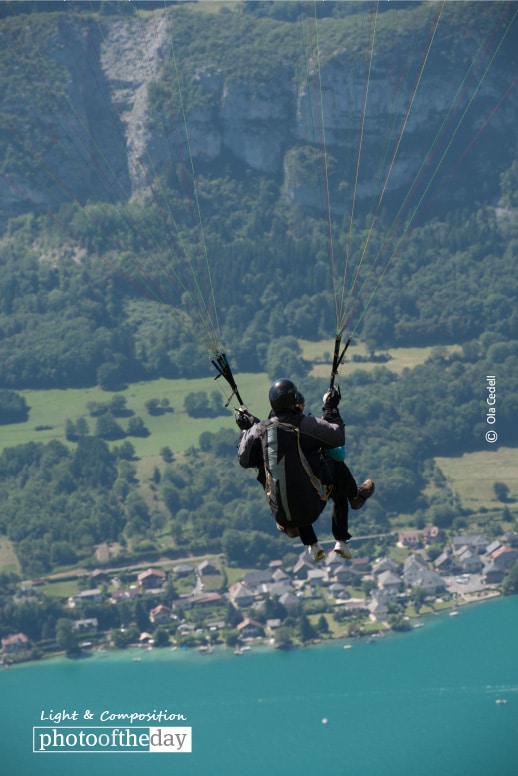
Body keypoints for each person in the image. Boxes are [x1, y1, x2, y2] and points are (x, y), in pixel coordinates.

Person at [236, 378, 374, 562]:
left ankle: (307, 539)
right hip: (310, 507)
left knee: (272, 468)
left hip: (282, 515)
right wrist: (331, 408)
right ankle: (354, 500)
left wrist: (247, 429)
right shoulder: (303, 425)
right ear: (294, 401)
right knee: (333, 465)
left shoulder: (260, 430)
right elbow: (337, 437)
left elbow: (244, 459)